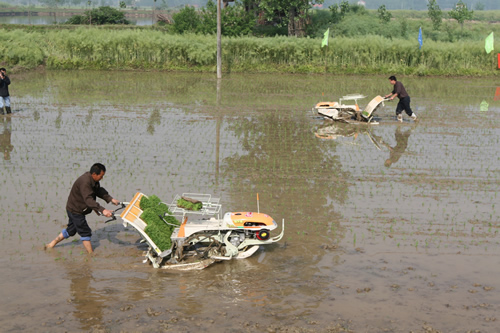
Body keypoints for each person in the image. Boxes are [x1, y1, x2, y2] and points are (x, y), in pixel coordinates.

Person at [45, 163, 120, 254]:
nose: (102, 178)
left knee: (72, 230)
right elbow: (88, 199)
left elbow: (98, 191)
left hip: (75, 208)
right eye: (101, 176)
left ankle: (52, 244)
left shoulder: (93, 181)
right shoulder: (85, 182)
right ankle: (90, 255)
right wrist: (103, 210)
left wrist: (111, 199)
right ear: (94, 174)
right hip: (75, 210)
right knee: (85, 231)